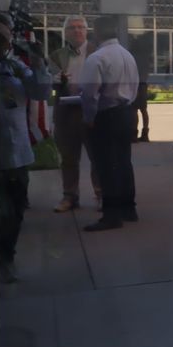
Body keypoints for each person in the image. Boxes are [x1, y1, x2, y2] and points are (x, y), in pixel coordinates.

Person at [0, 13, 53, 283]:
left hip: (15, 154)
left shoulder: (16, 67)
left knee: (14, 211)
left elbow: (41, 93)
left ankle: (5, 257)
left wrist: (39, 62)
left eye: (2, 36)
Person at [79, 15, 141, 232]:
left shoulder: (97, 58)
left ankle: (111, 215)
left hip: (106, 115)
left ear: (96, 32)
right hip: (127, 112)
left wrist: (89, 118)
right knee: (124, 162)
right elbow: (134, 87)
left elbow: (89, 94)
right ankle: (128, 209)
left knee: (106, 166)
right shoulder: (127, 55)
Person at [49, 15, 101, 212]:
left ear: (86, 31)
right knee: (68, 158)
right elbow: (48, 81)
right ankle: (70, 196)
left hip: (92, 112)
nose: (77, 30)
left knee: (97, 156)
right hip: (66, 113)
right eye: (72, 27)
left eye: (80, 27)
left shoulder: (98, 52)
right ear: (65, 33)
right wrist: (56, 79)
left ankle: (101, 193)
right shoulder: (56, 55)